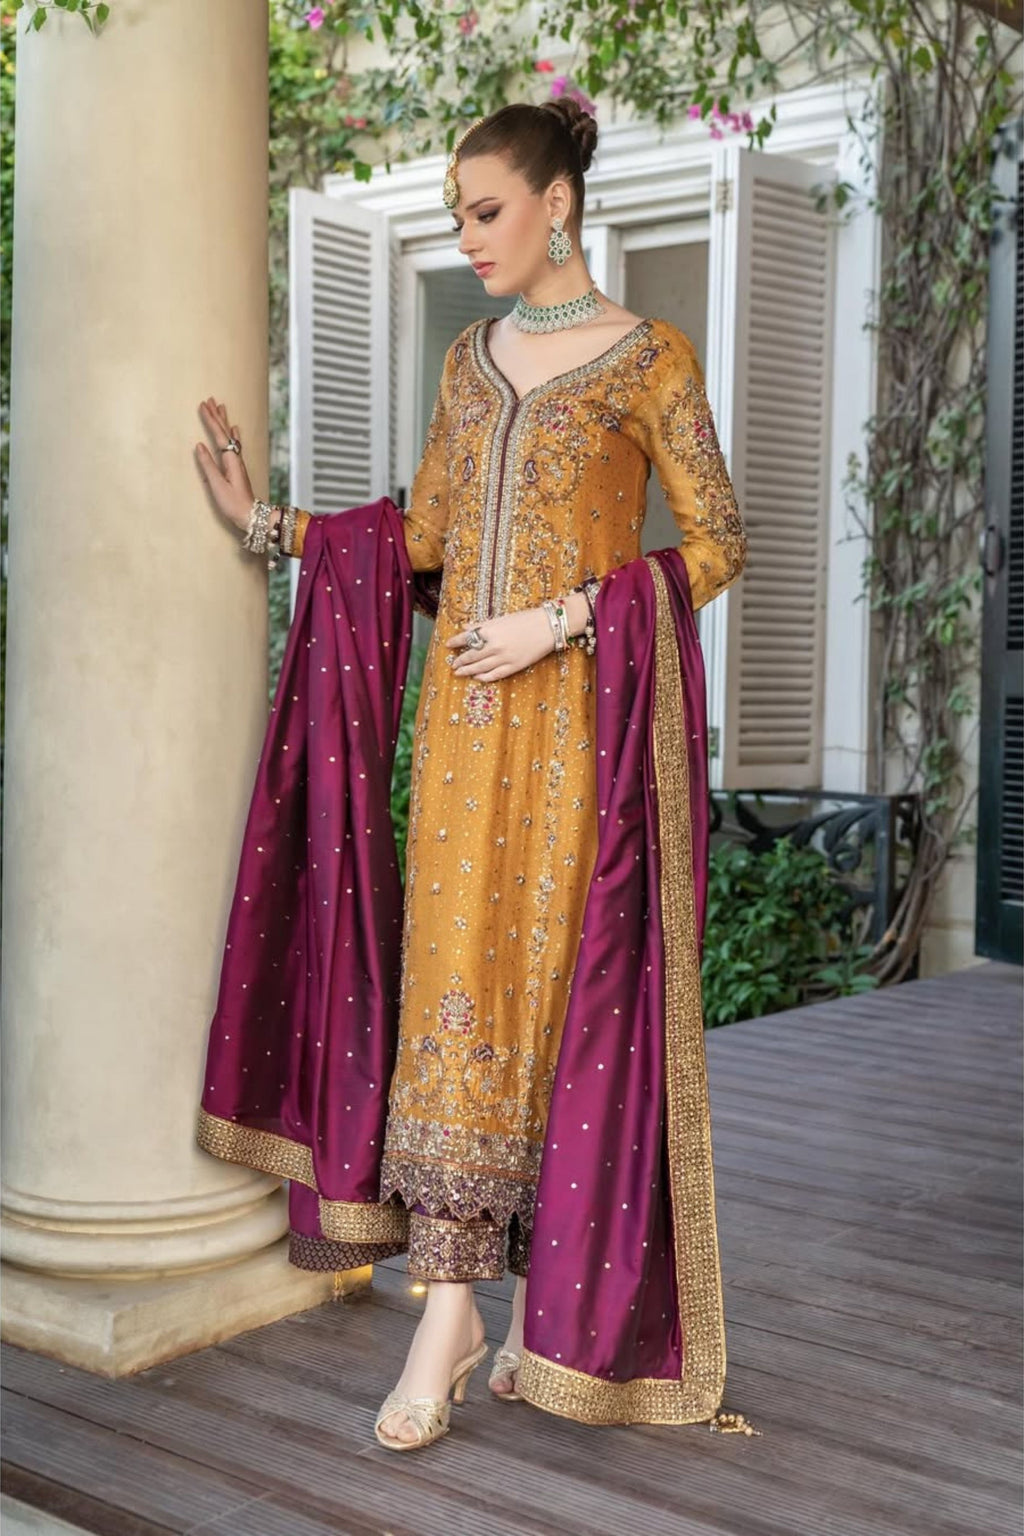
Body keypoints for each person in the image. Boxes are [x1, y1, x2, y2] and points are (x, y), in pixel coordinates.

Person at [194, 99, 753, 1452]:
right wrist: (270, 524)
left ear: (557, 203)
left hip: (578, 739)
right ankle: (447, 1311)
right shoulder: (468, 358)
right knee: (454, 1002)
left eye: (485, 209)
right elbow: (423, 545)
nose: (468, 234)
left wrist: (562, 620)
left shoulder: (650, 362)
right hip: (459, 747)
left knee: (556, 1007)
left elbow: (721, 542)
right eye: (456, 212)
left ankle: (528, 1317)